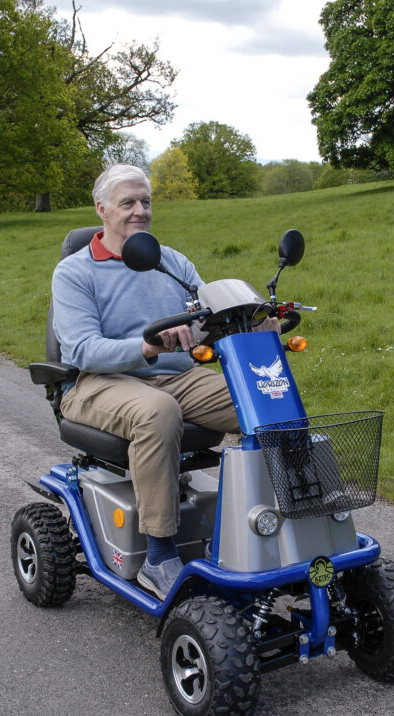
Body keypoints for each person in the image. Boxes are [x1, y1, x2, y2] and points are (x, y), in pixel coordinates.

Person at [52, 164, 277, 599]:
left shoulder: (170, 261)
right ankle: (159, 555)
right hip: (99, 382)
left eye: (146, 202)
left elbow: (211, 316)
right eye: (127, 203)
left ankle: (267, 522)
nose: (140, 211)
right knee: (158, 413)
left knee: (264, 396)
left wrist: (255, 325)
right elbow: (81, 349)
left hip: (176, 376)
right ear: (101, 209)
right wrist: (147, 347)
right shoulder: (75, 273)